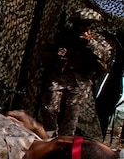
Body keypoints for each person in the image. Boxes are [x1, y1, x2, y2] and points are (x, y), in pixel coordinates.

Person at [39, 8, 114, 137]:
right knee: (49, 107)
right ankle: (50, 135)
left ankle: (64, 140)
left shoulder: (97, 39)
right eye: (82, 24)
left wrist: (90, 43)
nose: (85, 27)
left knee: (72, 112)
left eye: (88, 24)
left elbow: (105, 55)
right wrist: (55, 55)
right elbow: (42, 54)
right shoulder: (62, 36)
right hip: (60, 75)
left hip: (81, 79)